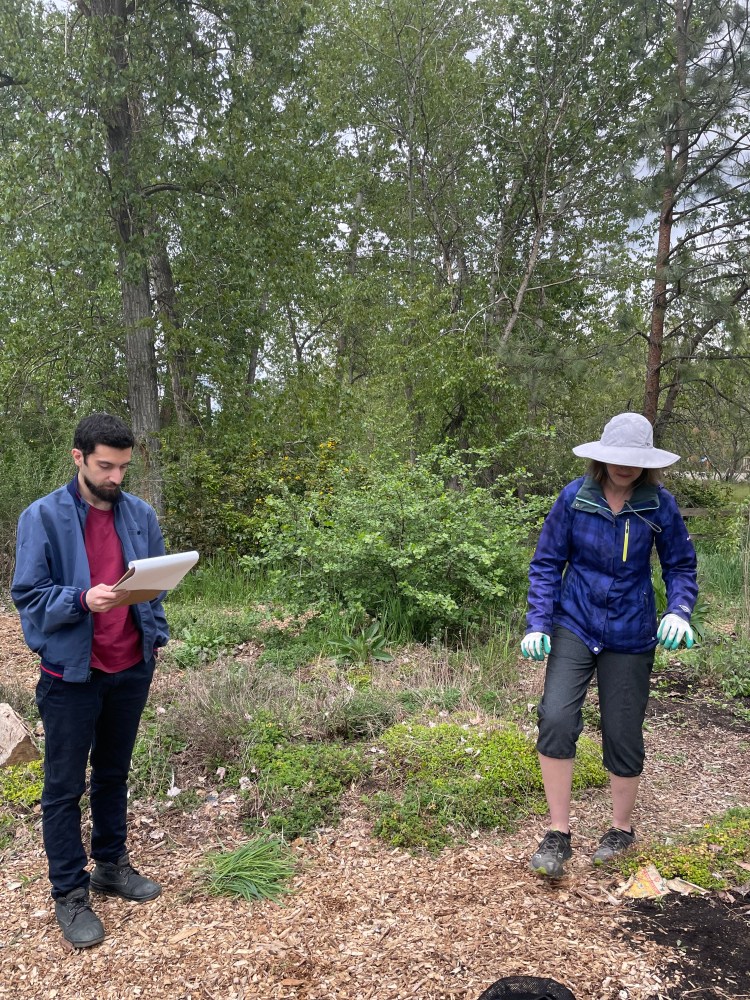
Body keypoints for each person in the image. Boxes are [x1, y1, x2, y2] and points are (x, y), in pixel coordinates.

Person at [12, 413, 170, 947]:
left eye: (124, 466)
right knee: (62, 788)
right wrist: (81, 599)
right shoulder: (42, 517)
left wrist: (155, 635)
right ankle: (69, 893)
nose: (116, 477)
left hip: (131, 667)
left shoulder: (141, 514)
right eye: (106, 465)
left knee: (112, 772)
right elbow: (28, 595)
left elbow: (156, 582)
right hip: (71, 674)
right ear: (78, 457)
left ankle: (110, 864)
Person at [520, 412, 698, 878]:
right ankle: (558, 833)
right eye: (618, 458)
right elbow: (546, 563)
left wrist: (678, 611)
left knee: (622, 728)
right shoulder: (574, 499)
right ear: (602, 458)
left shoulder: (659, 506)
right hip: (574, 624)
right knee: (556, 717)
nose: (625, 467)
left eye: (635, 460)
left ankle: (620, 830)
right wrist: (538, 622)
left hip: (631, 631)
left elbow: (680, 566)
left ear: (648, 463)